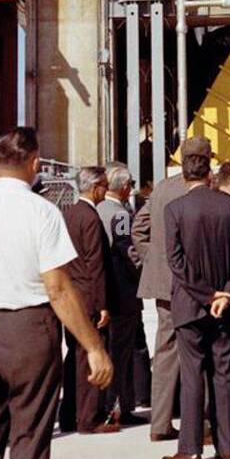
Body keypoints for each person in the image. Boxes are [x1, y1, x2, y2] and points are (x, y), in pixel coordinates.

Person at [0, 127, 111, 459]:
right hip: (28, 332)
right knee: (29, 437)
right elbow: (58, 288)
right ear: (34, 162)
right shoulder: (42, 212)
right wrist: (93, 347)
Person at [160, 148, 230, 459]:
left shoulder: (174, 209)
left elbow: (176, 261)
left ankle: (190, 448)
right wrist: (226, 293)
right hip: (226, 307)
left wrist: (205, 294)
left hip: (189, 305)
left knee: (192, 376)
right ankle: (227, 447)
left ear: (184, 176)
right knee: (224, 374)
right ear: (210, 175)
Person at [131, 135, 213, 443]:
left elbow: (139, 228)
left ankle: (160, 423)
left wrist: (154, 258)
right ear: (205, 160)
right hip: (198, 282)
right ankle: (202, 423)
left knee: (165, 351)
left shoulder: (162, 188)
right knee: (200, 349)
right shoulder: (208, 188)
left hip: (165, 283)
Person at [59, 166, 117, 434]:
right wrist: (103, 303)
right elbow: (96, 263)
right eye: (104, 185)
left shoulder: (67, 214)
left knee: (74, 356)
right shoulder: (90, 218)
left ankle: (69, 413)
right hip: (89, 297)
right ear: (95, 188)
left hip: (71, 295)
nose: (107, 190)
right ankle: (88, 418)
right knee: (90, 355)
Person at [96, 161, 145, 427]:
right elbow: (129, 251)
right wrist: (144, 274)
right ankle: (118, 406)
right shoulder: (122, 215)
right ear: (125, 187)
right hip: (123, 293)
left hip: (106, 292)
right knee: (122, 353)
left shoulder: (98, 209)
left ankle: (109, 402)